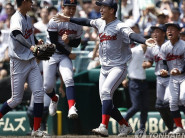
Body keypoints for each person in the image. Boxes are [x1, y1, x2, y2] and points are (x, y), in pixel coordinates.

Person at [53, 0, 155, 137]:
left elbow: (132, 35)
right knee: (105, 100)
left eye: (104, 7)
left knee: (106, 92)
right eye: (100, 7)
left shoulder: (120, 26)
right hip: (104, 68)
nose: (100, 9)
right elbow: (85, 21)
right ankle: (124, 125)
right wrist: (68, 18)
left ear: (112, 10)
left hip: (118, 67)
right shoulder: (100, 22)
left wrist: (144, 41)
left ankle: (103, 127)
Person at [0, 0, 50, 137]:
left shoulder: (27, 17)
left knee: (39, 93)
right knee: (16, 99)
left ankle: (36, 130)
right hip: (18, 62)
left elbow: (28, 34)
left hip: (31, 60)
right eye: (30, 1)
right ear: (23, 2)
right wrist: (31, 46)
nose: (32, 3)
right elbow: (17, 35)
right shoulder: (16, 18)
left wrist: (35, 41)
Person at [43, 0, 83, 119]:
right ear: (62, 7)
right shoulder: (54, 20)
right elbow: (54, 42)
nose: (71, 10)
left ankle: (72, 107)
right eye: (68, 7)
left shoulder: (77, 23)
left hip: (64, 56)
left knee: (69, 79)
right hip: (51, 53)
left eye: (73, 8)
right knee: (47, 86)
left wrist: (69, 42)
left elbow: (77, 42)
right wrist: (68, 52)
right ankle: (54, 98)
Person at [159, 22, 185, 134]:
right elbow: (164, 62)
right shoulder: (165, 47)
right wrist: (164, 70)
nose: (169, 31)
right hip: (173, 77)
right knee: (173, 102)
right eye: (167, 30)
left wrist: (179, 71)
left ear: (178, 32)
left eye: (172, 29)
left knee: (184, 98)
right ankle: (179, 127)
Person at [143, 24, 174, 134]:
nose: (155, 34)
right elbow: (149, 61)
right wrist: (145, 64)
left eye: (158, 31)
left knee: (167, 103)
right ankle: (171, 127)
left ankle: (177, 125)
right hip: (159, 79)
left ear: (163, 33)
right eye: (154, 32)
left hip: (171, 78)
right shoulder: (152, 47)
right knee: (159, 105)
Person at [122, 21, 149, 135]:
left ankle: (141, 130)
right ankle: (122, 123)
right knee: (136, 106)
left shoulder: (150, 52)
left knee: (144, 108)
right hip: (134, 82)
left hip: (143, 82)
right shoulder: (134, 51)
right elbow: (123, 63)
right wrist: (124, 78)